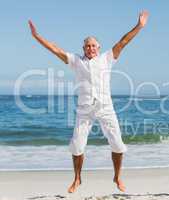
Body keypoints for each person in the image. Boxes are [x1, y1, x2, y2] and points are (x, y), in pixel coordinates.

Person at [28, 10, 149, 193]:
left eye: (93, 46)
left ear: (99, 47)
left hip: (105, 107)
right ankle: (77, 178)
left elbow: (123, 41)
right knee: (77, 146)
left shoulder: (107, 58)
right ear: (83, 48)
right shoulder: (76, 61)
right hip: (84, 109)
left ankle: (117, 176)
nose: (91, 48)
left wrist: (139, 26)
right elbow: (55, 49)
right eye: (87, 46)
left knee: (117, 144)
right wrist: (37, 36)